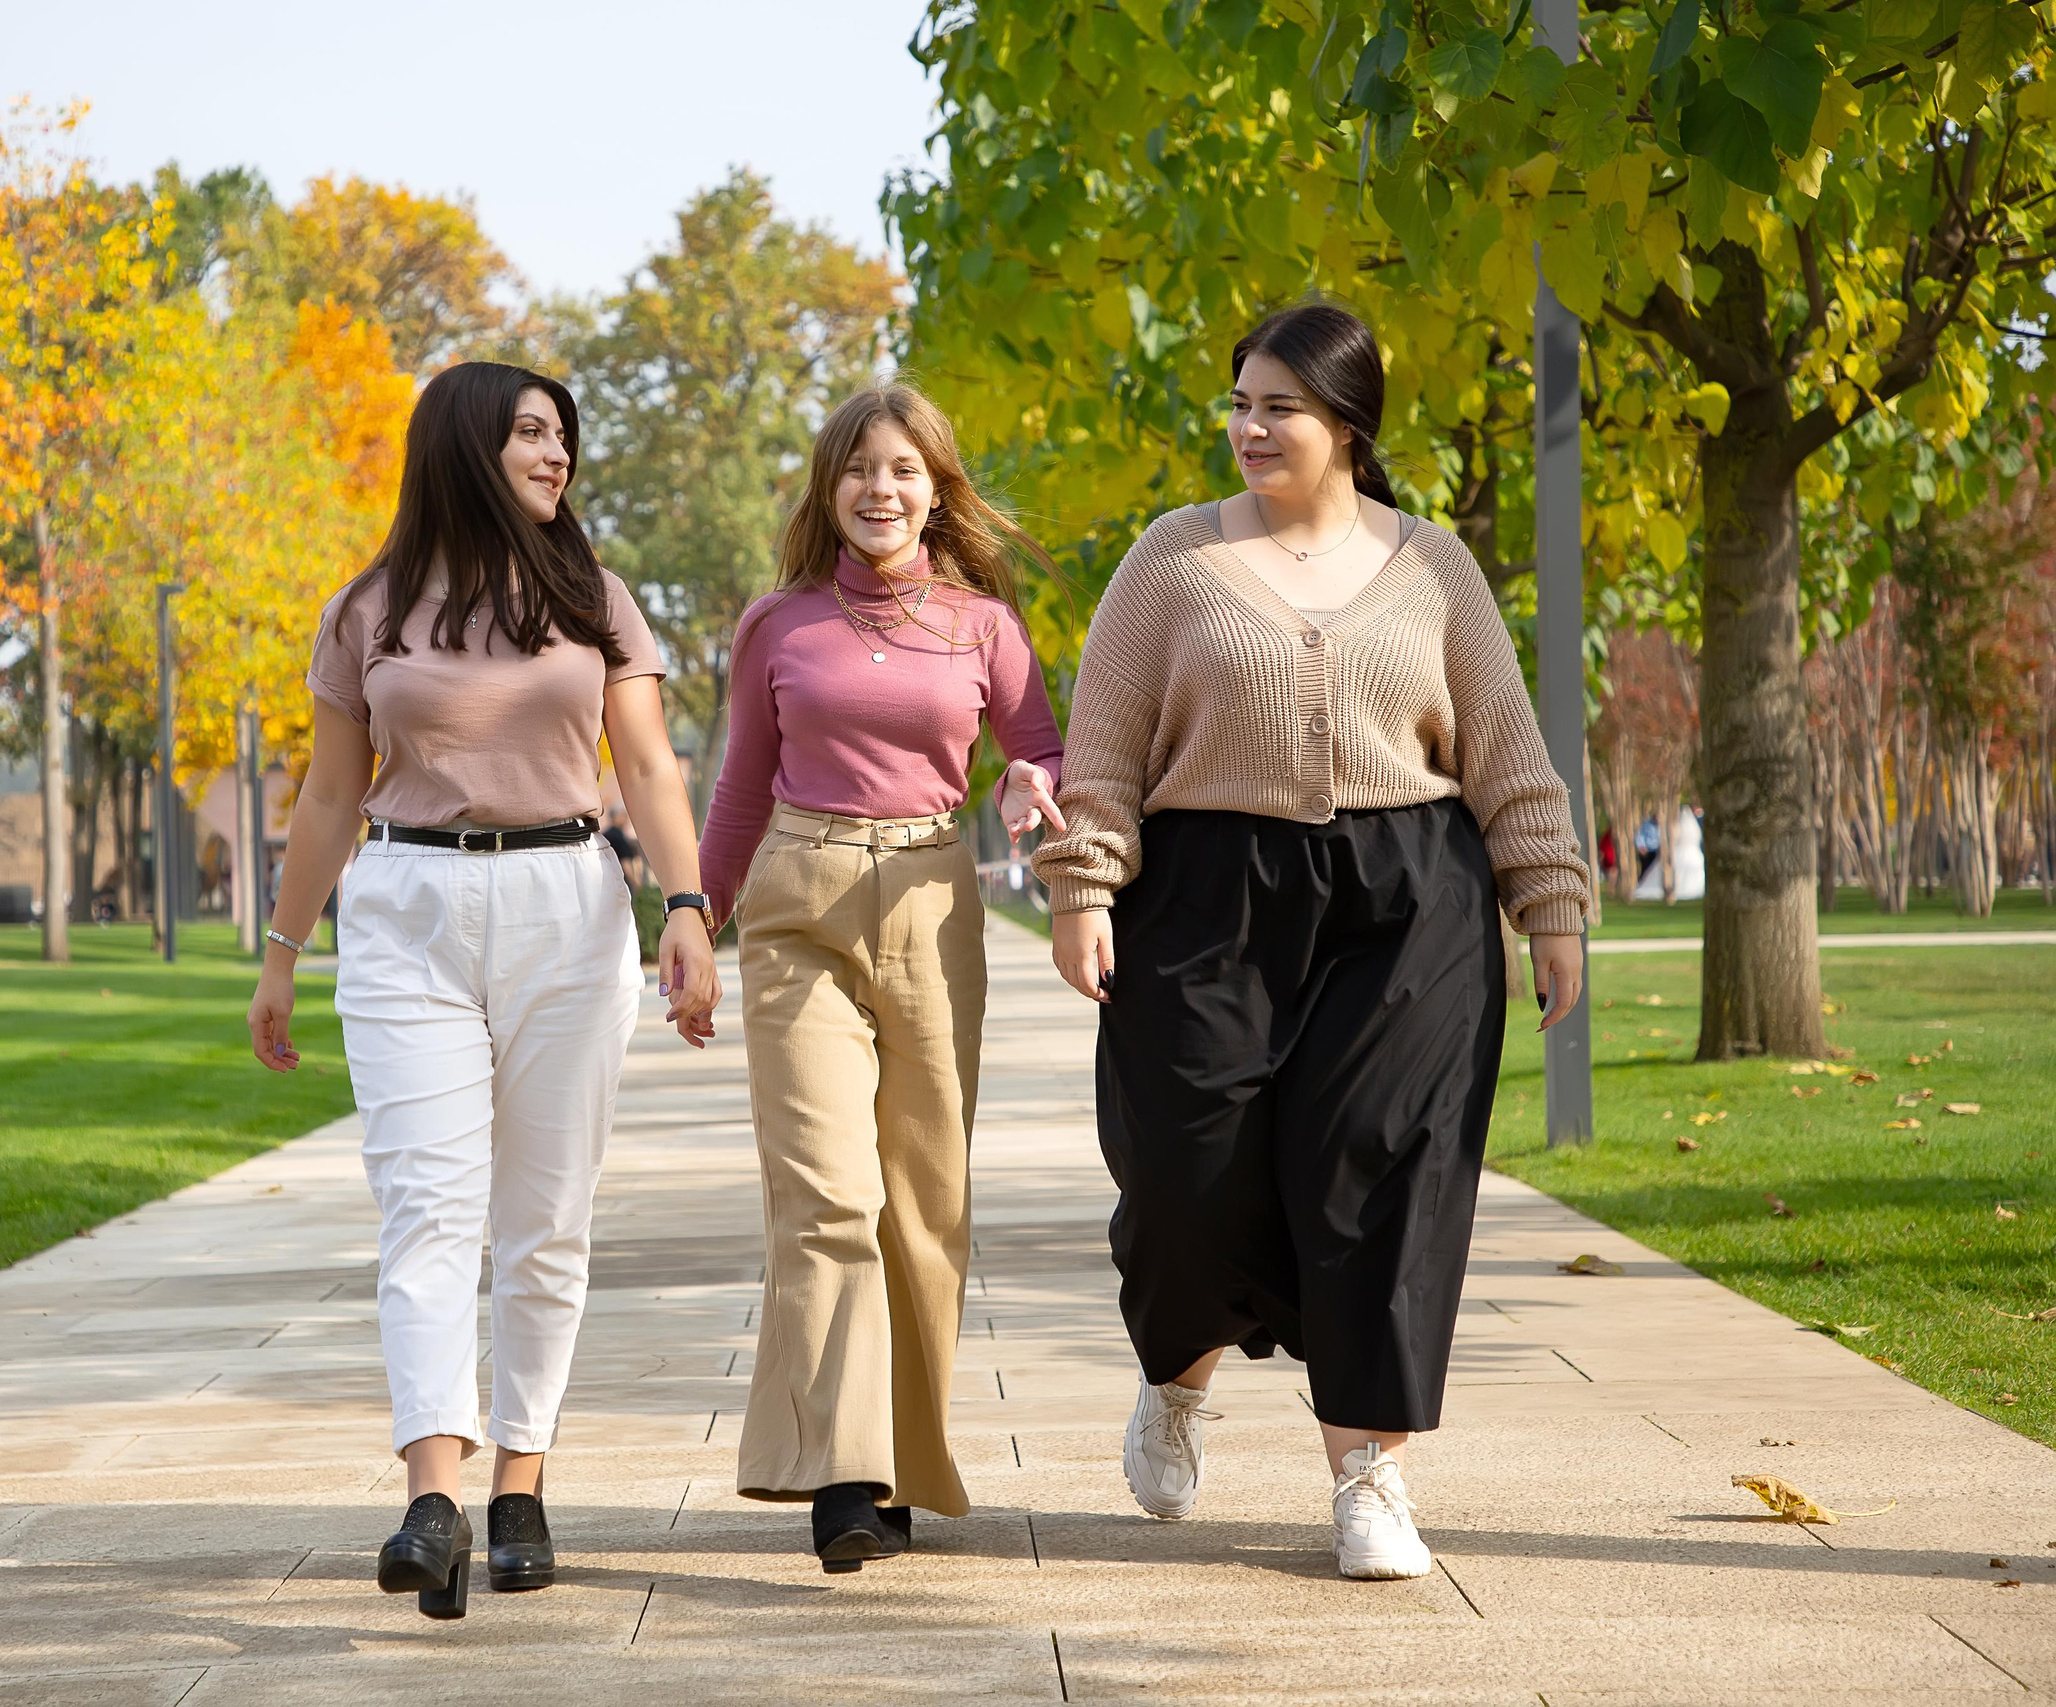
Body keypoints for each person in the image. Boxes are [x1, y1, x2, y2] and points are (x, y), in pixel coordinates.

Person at [1032, 303, 1589, 1582]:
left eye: (1276, 405)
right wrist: (1081, 888)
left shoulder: (1433, 565)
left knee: (1381, 1171)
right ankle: (1175, 1381)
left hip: (1409, 902)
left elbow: (1504, 749)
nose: (1248, 426)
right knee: (1183, 1171)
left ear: (1347, 423)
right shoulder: (1168, 562)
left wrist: (1546, 903)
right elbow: (1105, 750)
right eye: (1237, 403)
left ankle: (1370, 1477)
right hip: (1206, 898)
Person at [244, 361, 721, 1622]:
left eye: (564, 435)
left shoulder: (595, 598)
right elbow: (332, 795)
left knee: (544, 1219)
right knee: (424, 1210)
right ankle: (431, 1498)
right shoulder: (371, 609)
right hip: (405, 910)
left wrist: (686, 907)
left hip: (568, 901)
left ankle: (522, 1483)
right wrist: (282, 953)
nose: (556, 454)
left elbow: (650, 769)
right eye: (528, 431)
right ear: (462, 442)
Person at [696, 382, 1066, 1572]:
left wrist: (1025, 788)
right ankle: (843, 1475)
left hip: (928, 897)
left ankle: (902, 1462)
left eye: (902, 469)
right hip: (797, 903)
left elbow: (1040, 751)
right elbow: (742, 790)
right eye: (857, 469)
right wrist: (694, 916)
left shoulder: (984, 627)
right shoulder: (778, 625)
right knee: (827, 1196)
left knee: (923, 1201)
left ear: (936, 488)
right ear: (829, 489)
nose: (879, 490)